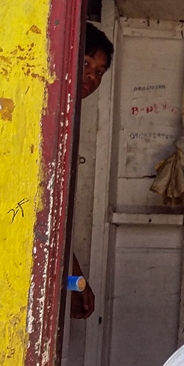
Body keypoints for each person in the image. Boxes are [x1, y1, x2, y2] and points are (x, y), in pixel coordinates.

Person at [70, 23, 114, 319]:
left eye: (99, 71)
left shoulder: (69, 119)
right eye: (86, 64)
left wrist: (76, 282)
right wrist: (75, 282)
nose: (91, 76)